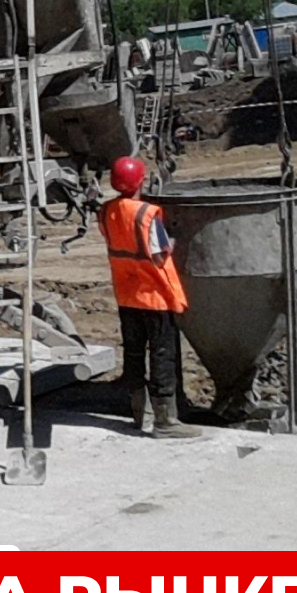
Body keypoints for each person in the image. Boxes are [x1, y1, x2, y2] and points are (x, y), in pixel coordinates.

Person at [98, 156, 201, 438]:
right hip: (154, 295)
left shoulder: (106, 211)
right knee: (162, 354)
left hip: (126, 294)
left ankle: (138, 413)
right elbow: (159, 251)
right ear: (140, 182)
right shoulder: (146, 213)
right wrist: (174, 239)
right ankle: (166, 421)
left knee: (133, 353)